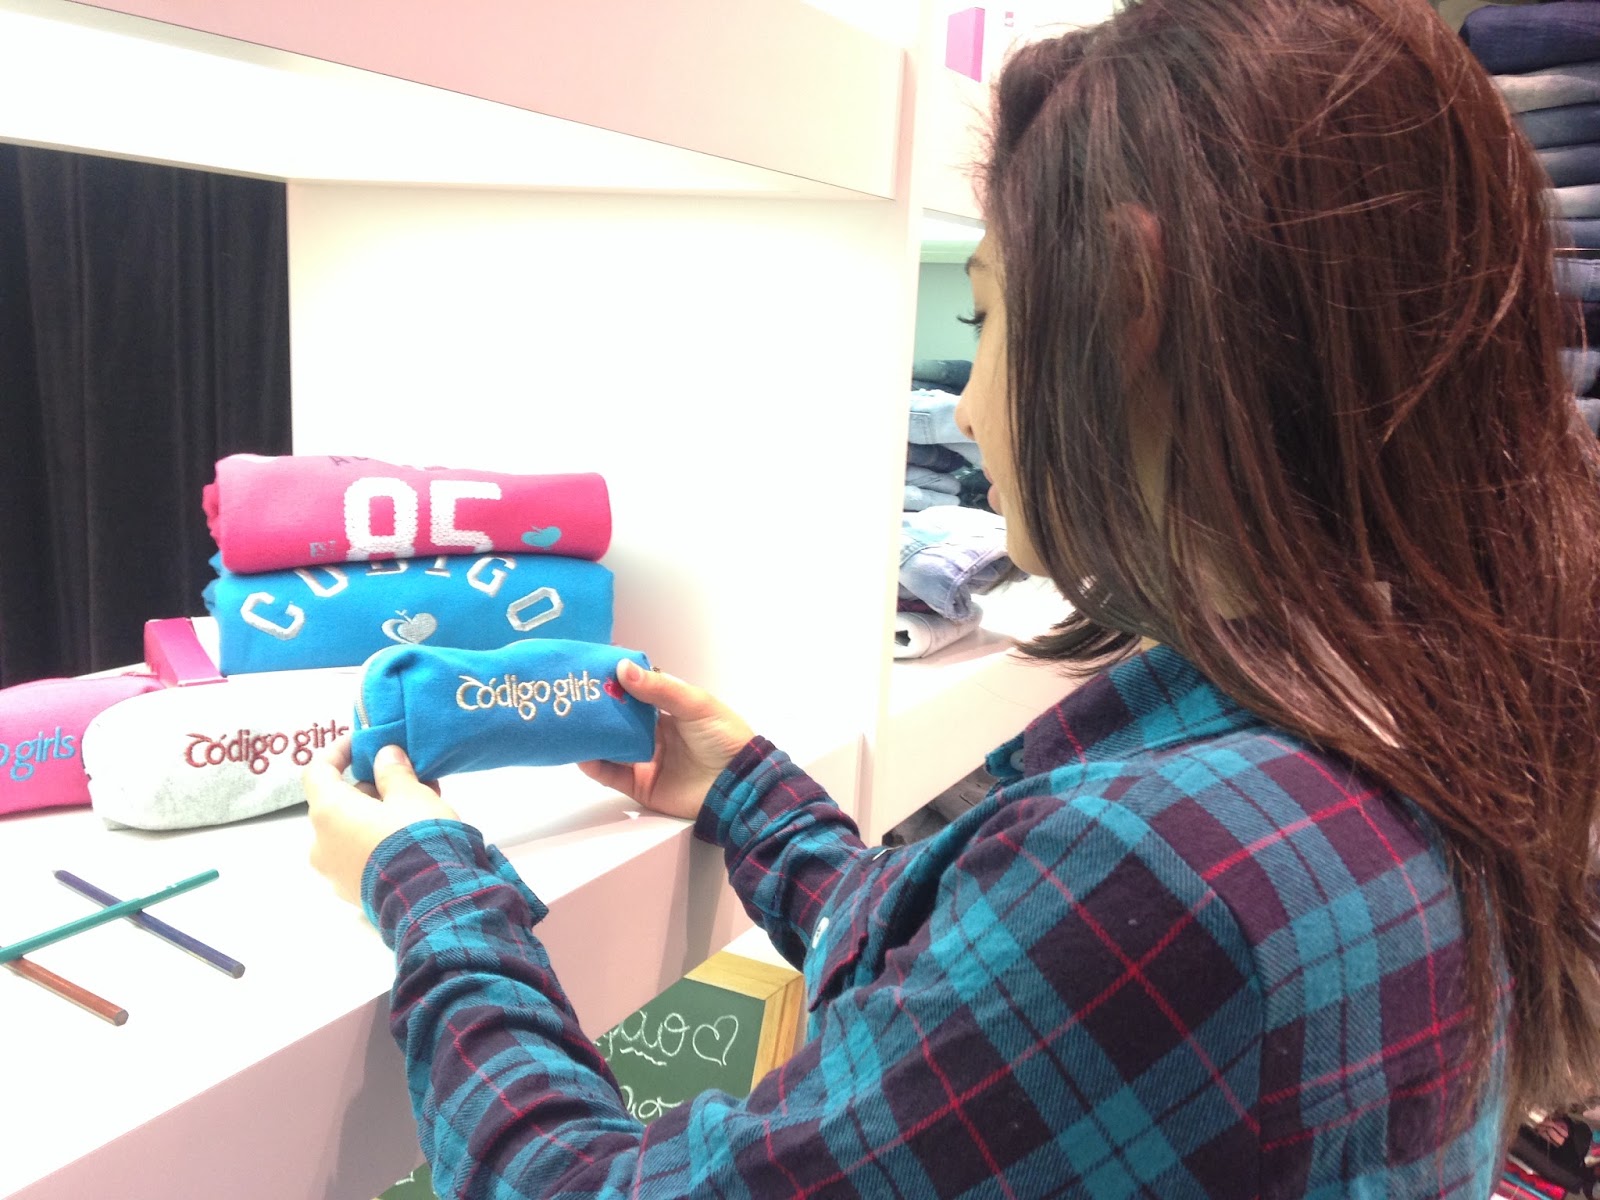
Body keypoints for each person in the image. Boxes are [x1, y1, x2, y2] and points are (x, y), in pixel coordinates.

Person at [303, 0, 1600, 1194]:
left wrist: (432, 894)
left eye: (984, 321)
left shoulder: (1158, 871)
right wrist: (747, 791)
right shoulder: (1410, 723)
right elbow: (980, 1002)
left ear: (1129, 296)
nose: (968, 408)